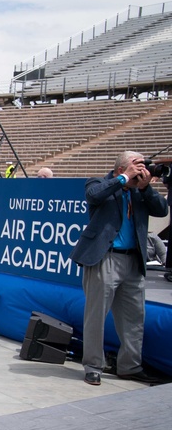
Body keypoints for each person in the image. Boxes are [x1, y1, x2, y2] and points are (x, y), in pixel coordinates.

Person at [69, 151, 168, 386]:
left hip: (133, 260)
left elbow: (162, 210)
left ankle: (130, 366)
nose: (142, 169)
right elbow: (94, 197)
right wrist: (124, 179)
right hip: (105, 258)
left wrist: (145, 188)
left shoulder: (140, 191)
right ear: (122, 168)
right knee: (96, 316)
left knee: (134, 317)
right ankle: (93, 366)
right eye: (137, 165)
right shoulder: (100, 183)